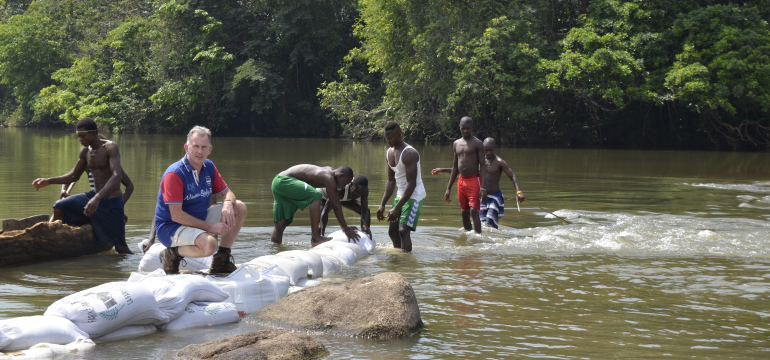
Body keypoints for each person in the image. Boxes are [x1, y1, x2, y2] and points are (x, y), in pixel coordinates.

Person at [151, 126, 247, 275]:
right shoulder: (175, 173)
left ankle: (221, 260)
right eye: (195, 146)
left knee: (239, 207)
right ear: (186, 147)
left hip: (197, 218)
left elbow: (227, 192)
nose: (200, 152)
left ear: (210, 149)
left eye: (204, 147)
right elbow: (176, 215)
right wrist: (210, 227)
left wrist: (228, 203)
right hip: (172, 227)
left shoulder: (208, 166)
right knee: (210, 245)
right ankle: (171, 254)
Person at [31, 117, 134, 254]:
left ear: (94, 133)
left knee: (121, 248)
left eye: (83, 135)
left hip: (110, 202)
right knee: (60, 205)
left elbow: (117, 176)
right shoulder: (85, 151)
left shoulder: (110, 147)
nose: (80, 139)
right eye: (78, 136)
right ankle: (54, 240)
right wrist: (49, 180)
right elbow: (74, 175)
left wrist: (97, 198)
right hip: (93, 197)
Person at [271, 165, 360, 246]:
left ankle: (275, 248)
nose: (344, 187)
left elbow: (335, 203)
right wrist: (346, 229)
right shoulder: (329, 178)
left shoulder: (329, 172)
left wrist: (346, 227)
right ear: (340, 176)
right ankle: (315, 237)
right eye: (344, 183)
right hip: (285, 181)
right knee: (316, 195)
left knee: (281, 223)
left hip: (277, 182)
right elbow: (336, 205)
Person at [58, 134, 134, 223]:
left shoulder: (111, 166)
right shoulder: (86, 164)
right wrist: (63, 190)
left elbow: (130, 186)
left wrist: (119, 206)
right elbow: (71, 176)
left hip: (108, 202)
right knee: (63, 208)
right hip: (95, 201)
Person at [377, 121, 426, 252]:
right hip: (401, 194)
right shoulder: (389, 153)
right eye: (385, 138)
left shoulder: (409, 153)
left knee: (403, 230)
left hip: (415, 194)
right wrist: (382, 204)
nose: (387, 141)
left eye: (390, 138)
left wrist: (397, 208)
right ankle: (398, 257)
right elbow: (390, 181)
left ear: (399, 135)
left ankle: (406, 263)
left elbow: (412, 184)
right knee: (392, 231)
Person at [432, 116, 486, 233]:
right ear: (459, 128)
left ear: (472, 128)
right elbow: (455, 167)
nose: (465, 131)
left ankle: (478, 238)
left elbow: (483, 166)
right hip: (461, 181)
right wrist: (448, 188)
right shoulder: (456, 143)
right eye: (463, 128)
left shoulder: (478, 143)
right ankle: (468, 237)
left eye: (468, 128)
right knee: (464, 213)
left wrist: (483, 188)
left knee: (473, 211)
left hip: (474, 180)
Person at [318, 174, 373, 240]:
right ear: (351, 185)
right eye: (356, 191)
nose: (358, 195)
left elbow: (364, 210)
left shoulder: (364, 190)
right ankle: (319, 237)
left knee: (367, 211)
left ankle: (365, 233)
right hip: (324, 195)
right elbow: (325, 212)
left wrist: (366, 226)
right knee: (319, 222)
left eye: (360, 193)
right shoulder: (340, 189)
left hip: (345, 196)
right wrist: (346, 229)